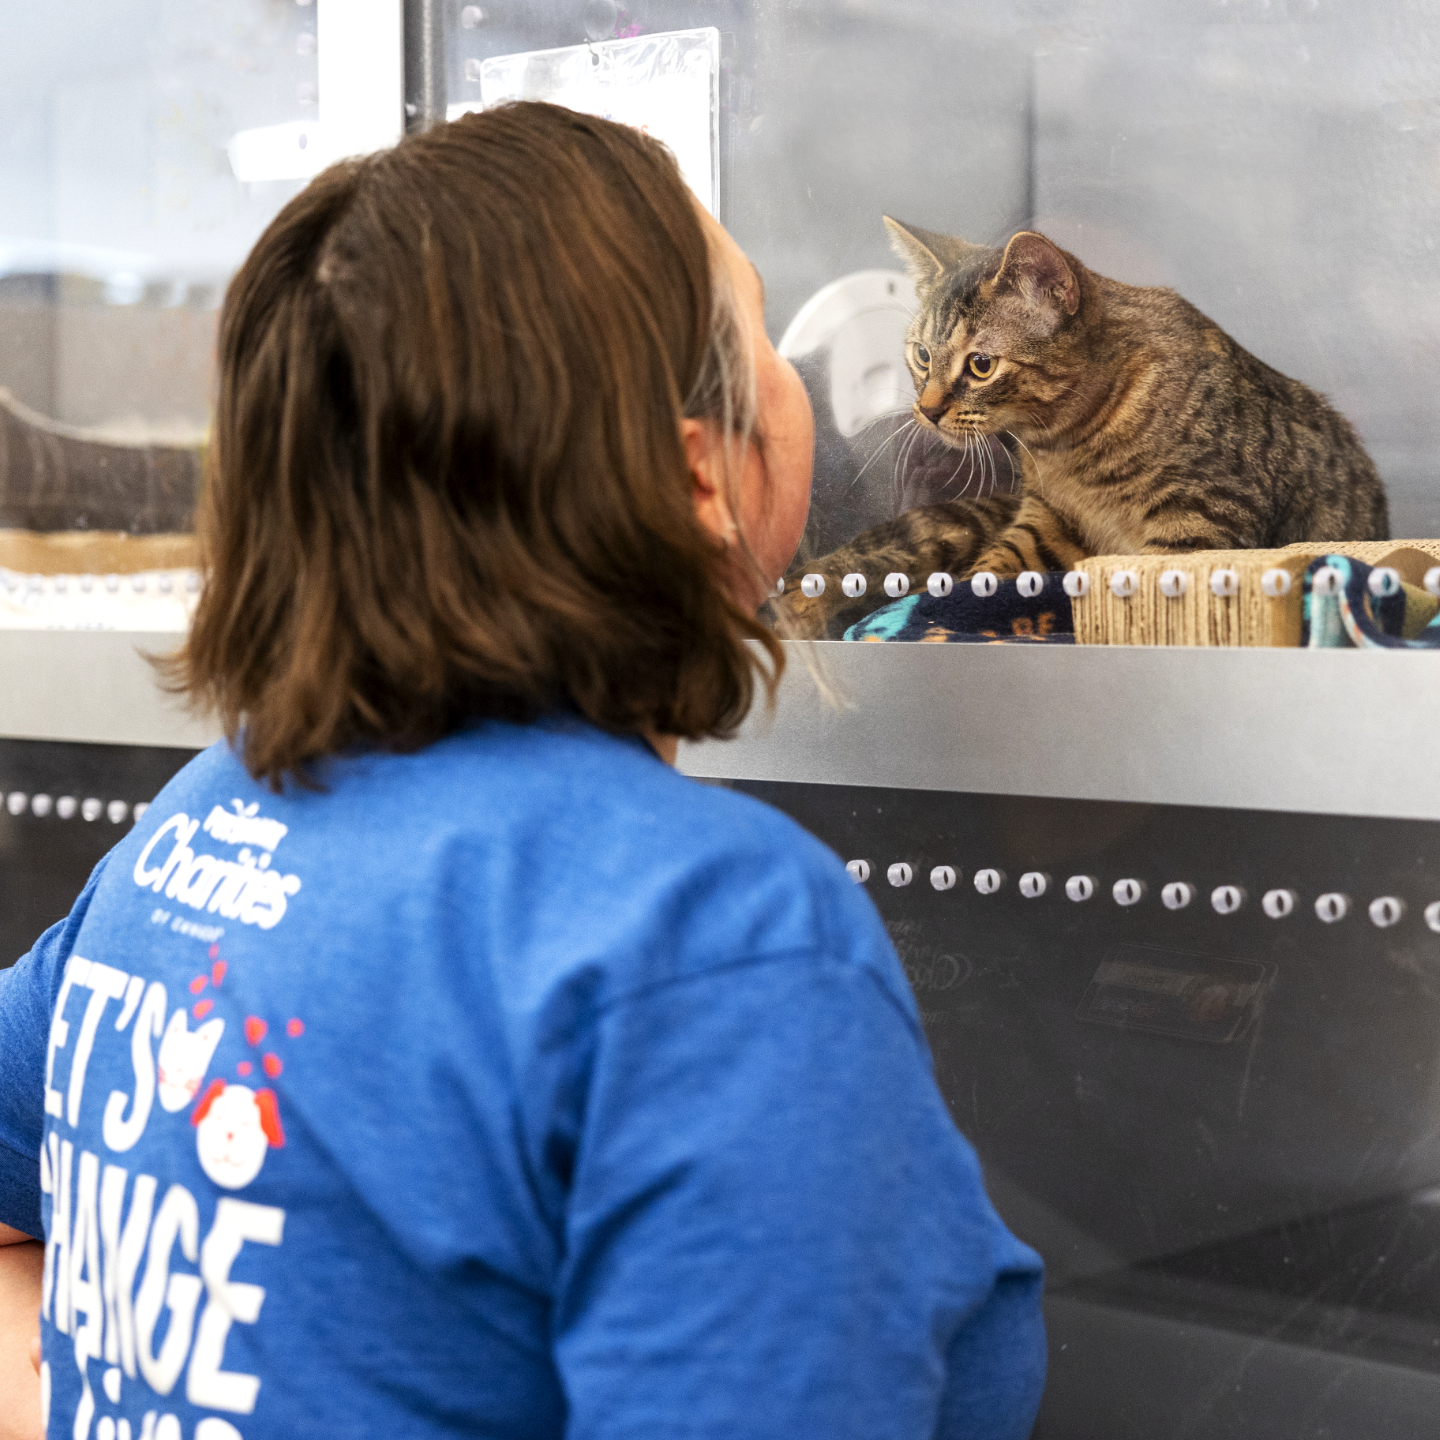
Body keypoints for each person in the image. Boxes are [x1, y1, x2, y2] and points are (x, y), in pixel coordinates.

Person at [0, 102, 1045, 1439]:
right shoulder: (707, 937)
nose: (801, 379)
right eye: (759, 331)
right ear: (694, 483)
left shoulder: (217, 812)